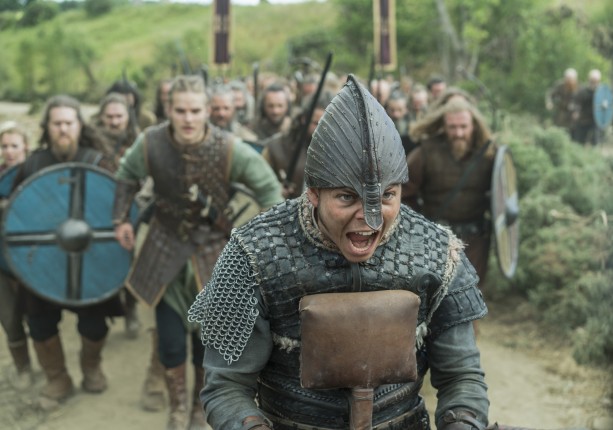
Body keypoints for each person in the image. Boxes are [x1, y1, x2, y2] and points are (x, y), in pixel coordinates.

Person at [188, 75, 489, 430]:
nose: (370, 217)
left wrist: (463, 422)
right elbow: (226, 386)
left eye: (387, 197)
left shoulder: (437, 251)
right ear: (314, 193)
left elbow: (462, 376)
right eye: (347, 197)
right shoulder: (255, 254)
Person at [112, 75, 283, 430]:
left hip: (213, 254)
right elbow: (126, 175)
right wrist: (120, 220)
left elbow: (269, 190)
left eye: (194, 111)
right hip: (164, 250)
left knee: (207, 343)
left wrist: (262, 241)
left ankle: (197, 409)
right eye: (180, 111)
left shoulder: (229, 148)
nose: (188, 119)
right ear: (169, 110)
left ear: (207, 111)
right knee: (170, 341)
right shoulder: (151, 142)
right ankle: (176, 410)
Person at [12, 95, 120, 410]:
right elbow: (16, 213)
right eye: (57, 123)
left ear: (79, 126)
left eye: (68, 123)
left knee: (94, 324)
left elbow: (117, 209)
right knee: (40, 323)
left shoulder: (98, 163)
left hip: (91, 256)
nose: (63, 129)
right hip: (42, 260)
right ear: (47, 127)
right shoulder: (32, 164)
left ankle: (91, 367)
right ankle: (57, 378)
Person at [402, 98, 495, 297]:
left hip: (475, 239)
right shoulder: (426, 153)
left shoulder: (488, 154)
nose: (458, 133)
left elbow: (501, 194)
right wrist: (419, 224)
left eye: (463, 127)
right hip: (437, 238)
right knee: (439, 295)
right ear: (444, 127)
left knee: (472, 295)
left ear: (473, 126)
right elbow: (403, 192)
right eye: (452, 127)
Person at [0, 121, 32, 390]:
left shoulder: (36, 174)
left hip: (32, 260)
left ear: (25, 147)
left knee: (38, 316)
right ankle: (24, 369)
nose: (9, 151)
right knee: (9, 318)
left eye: (14, 145)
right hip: (1, 261)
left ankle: (53, 371)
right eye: (4, 146)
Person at [262, 90, 334, 199]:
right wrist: (275, 191)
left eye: (328, 124)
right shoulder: (276, 147)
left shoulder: (344, 152)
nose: (322, 130)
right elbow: (260, 184)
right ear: (304, 119)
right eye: (316, 123)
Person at [572, 69, 602, 146]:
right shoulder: (583, 91)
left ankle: (594, 152)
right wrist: (576, 112)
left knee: (595, 140)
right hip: (584, 118)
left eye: (595, 81)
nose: (594, 83)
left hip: (596, 120)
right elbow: (577, 102)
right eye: (592, 81)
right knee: (580, 141)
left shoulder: (601, 92)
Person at [545, 68, 578, 135]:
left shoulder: (579, 87)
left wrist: (577, 111)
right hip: (561, 111)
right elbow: (550, 94)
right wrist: (549, 102)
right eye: (567, 79)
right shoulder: (559, 85)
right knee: (558, 128)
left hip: (573, 113)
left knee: (572, 131)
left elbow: (581, 101)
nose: (569, 82)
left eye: (571, 80)